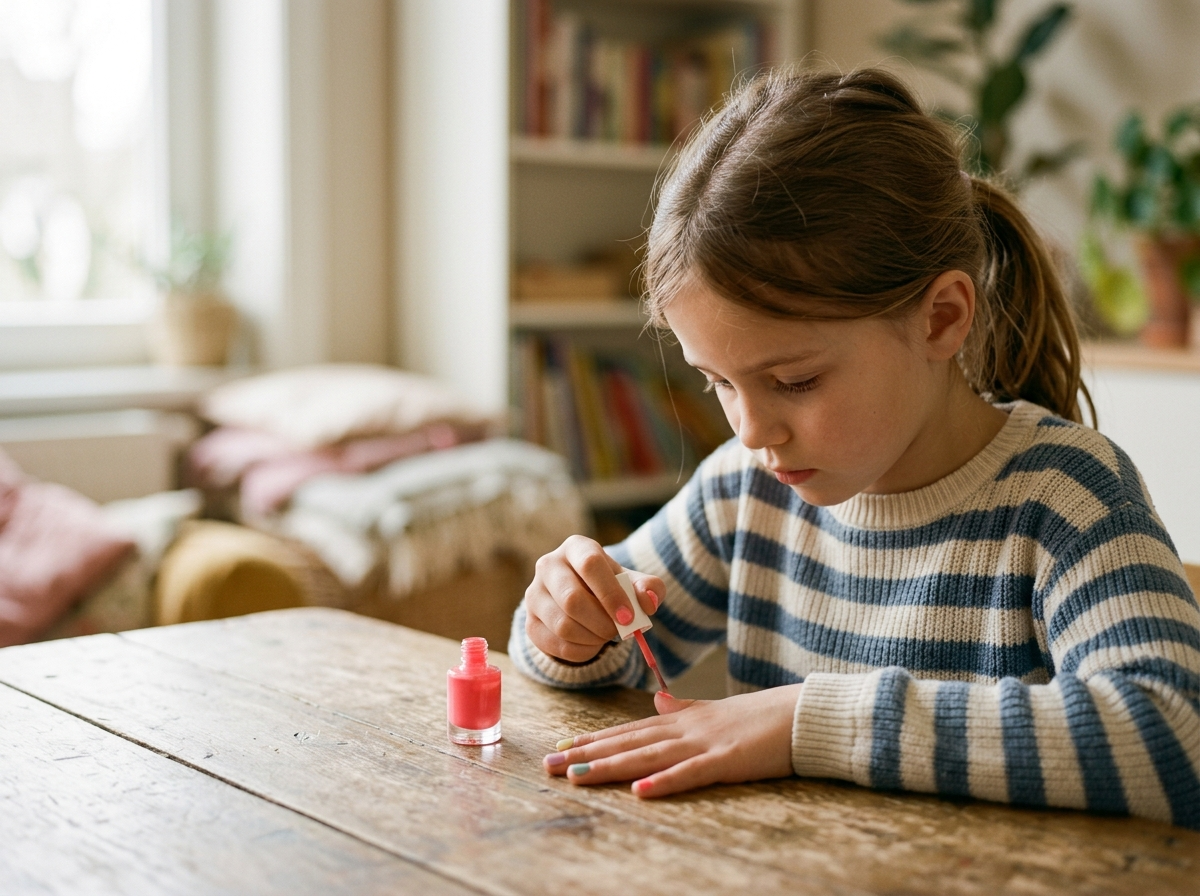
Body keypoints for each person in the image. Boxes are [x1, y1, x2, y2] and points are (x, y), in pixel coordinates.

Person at [507, 67, 1200, 829]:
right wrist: (570, 628)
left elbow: (1173, 736)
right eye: (719, 383)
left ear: (941, 319)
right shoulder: (744, 489)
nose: (750, 431)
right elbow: (609, 646)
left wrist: (804, 722)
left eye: (794, 380)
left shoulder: (1066, 494)